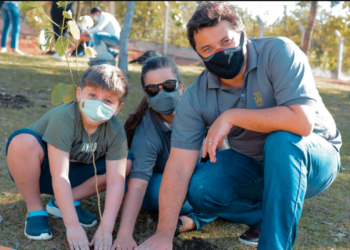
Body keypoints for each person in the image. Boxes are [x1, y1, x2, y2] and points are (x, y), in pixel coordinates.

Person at [136, 2, 342, 250]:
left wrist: (232, 116)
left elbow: (302, 121)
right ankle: (266, 214)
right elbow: (179, 166)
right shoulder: (195, 97)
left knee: (281, 140)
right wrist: (163, 234)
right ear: (200, 56)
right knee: (200, 186)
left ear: (243, 35)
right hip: (255, 164)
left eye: (226, 42)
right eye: (207, 49)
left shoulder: (280, 51)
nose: (219, 52)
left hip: (313, 157)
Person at [6, 64, 129, 250]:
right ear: (79, 94)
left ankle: (62, 202)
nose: (98, 104)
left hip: (75, 175)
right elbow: (60, 175)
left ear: (118, 108)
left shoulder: (115, 130)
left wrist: (106, 228)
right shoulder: (64, 118)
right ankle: (35, 210)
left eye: (108, 101)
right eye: (93, 95)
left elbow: (115, 181)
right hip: (41, 172)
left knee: (126, 165)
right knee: (23, 141)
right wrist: (72, 226)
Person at [111, 57, 221, 250]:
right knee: (155, 192)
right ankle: (203, 212)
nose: (162, 93)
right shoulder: (146, 131)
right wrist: (124, 235)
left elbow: (225, 159)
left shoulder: (201, 110)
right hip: (162, 186)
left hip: (196, 179)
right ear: (147, 94)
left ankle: (190, 220)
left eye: (169, 85)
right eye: (153, 89)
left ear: (181, 86)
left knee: (217, 185)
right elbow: (137, 185)